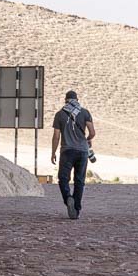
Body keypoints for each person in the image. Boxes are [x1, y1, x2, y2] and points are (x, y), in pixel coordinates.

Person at [51, 89, 96, 219]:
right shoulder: (85, 112)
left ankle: (68, 198)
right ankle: (76, 209)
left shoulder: (60, 114)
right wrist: (87, 140)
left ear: (65, 100)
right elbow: (92, 132)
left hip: (67, 151)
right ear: (77, 100)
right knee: (79, 181)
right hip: (82, 151)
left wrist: (53, 152)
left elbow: (56, 136)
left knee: (63, 178)